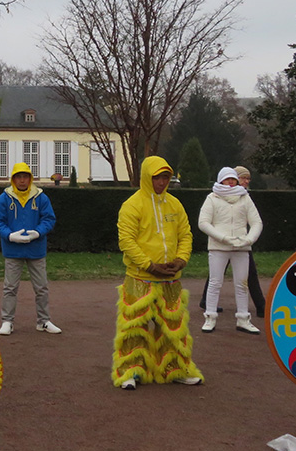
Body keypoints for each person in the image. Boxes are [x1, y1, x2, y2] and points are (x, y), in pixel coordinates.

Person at [111, 156, 203, 390]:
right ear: (146, 177)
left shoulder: (175, 204)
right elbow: (127, 241)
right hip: (139, 278)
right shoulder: (132, 205)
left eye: (165, 177)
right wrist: (150, 266)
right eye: (157, 177)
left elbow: (185, 235)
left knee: (173, 328)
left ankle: (175, 369)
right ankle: (130, 371)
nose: (162, 182)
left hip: (171, 279)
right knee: (134, 327)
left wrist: (181, 260)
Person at [0, 162, 61, 336]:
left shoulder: (41, 198)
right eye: (19, 177)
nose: (22, 180)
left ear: (30, 179)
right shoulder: (4, 198)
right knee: (10, 287)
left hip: (36, 249)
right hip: (12, 250)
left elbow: (49, 219)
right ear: (13, 179)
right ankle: (7, 321)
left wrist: (37, 233)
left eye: (25, 177)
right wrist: (9, 235)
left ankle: (43, 321)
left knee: (41, 287)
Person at [198, 167, 264, 334]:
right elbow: (203, 222)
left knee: (242, 284)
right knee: (215, 282)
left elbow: (256, 222)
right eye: (227, 179)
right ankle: (210, 317)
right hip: (218, 248)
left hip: (241, 247)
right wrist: (222, 238)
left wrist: (249, 239)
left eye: (233, 179)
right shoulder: (212, 198)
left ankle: (243, 318)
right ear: (220, 181)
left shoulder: (245, 198)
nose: (230, 182)